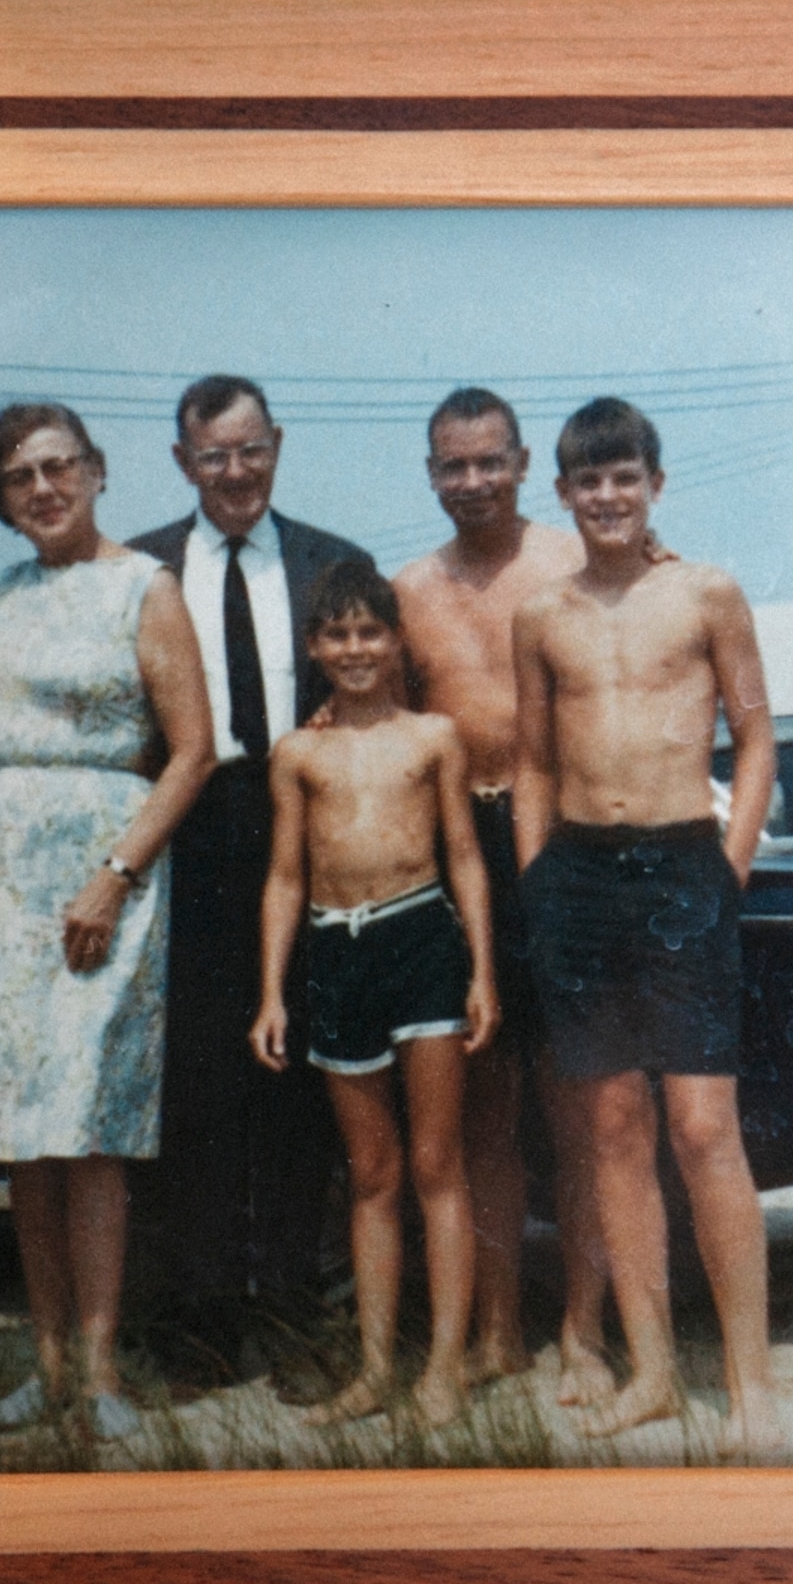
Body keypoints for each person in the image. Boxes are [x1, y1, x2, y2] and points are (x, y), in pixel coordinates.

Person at [0, 403, 215, 1439]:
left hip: (102, 872)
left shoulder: (146, 586)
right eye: (21, 477)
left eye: (59, 468)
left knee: (88, 1125)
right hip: (1, 878)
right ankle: (43, 1366)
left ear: (96, 472)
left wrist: (116, 874)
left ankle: (99, 1374)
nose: (43, 489)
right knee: (22, 1132)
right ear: (1, 498)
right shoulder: (0, 594)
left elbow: (193, 751)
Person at [511, 398, 782, 1454]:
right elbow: (534, 761)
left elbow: (756, 738)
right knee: (613, 1132)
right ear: (563, 493)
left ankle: (752, 1388)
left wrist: (730, 864)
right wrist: (536, 881)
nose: (608, 496)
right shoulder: (542, 615)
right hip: (579, 875)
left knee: (704, 1130)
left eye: (625, 476)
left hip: (684, 866)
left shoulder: (706, 592)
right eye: (589, 480)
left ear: (655, 484)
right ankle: (656, 1373)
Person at [388, 385, 660, 1398]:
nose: (472, 482)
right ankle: (499, 1328)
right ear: (431, 474)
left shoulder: (574, 562)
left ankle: (584, 1329)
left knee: (580, 1103)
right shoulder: (407, 590)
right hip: (460, 849)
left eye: (489, 461)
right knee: (484, 1110)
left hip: (571, 838)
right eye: (453, 466)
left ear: (521, 464)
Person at [127, 375, 371, 1375]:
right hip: (189, 832)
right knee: (196, 1084)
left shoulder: (333, 563)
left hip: (301, 828)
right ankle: (199, 1322)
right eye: (214, 455)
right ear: (183, 462)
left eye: (252, 449)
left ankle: (297, 1317)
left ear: (278, 444)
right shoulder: (138, 568)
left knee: (302, 1082)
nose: (236, 472)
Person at [250, 562, 497, 1429]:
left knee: (437, 1163)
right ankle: (376, 1368)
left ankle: (444, 1371)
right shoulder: (298, 752)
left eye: (370, 632)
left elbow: (464, 855)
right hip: (335, 952)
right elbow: (285, 876)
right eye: (338, 635)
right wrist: (271, 993)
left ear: (396, 642)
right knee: (372, 1173)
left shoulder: (434, 738)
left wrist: (482, 971)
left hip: (421, 941)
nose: (355, 649)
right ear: (315, 648)